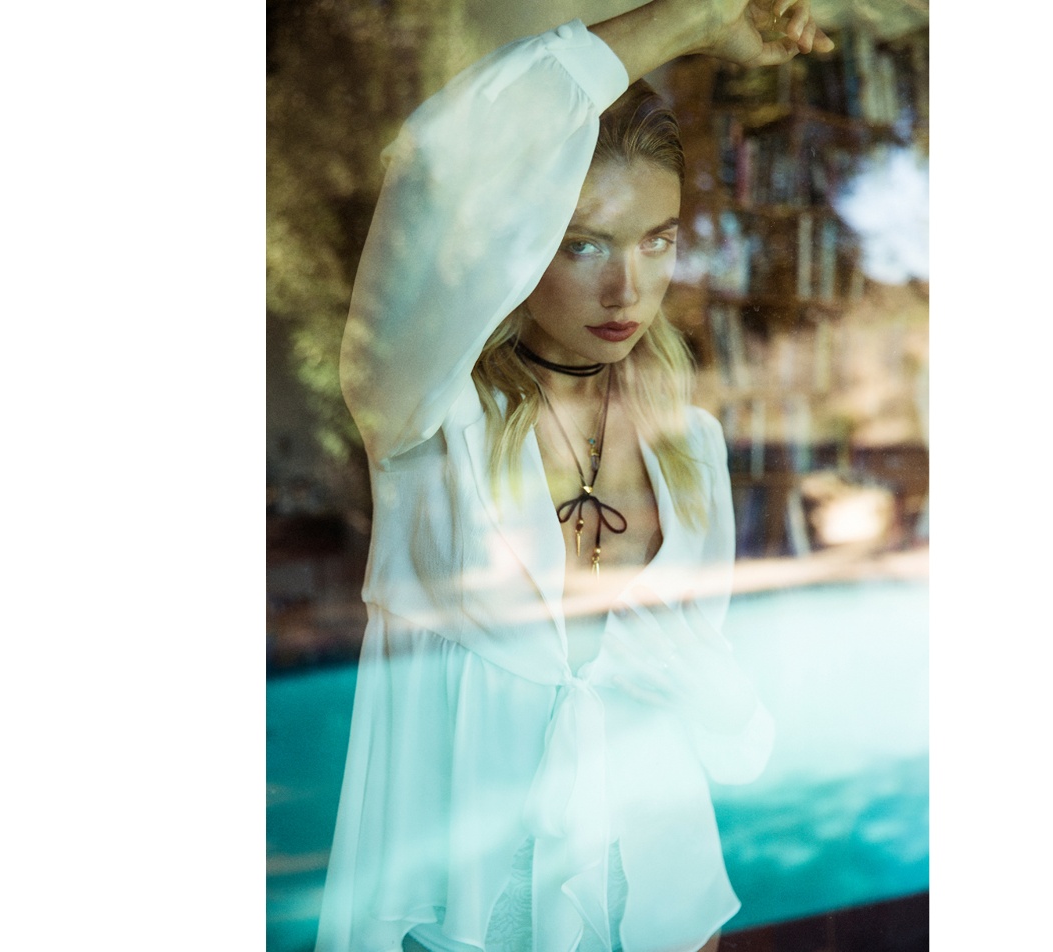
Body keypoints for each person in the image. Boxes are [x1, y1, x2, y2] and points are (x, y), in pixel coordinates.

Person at [315, 2, 833, 950]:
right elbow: (443, 161)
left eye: (656, 239)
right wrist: (686, 19)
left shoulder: (691, 449)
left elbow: (702, 723)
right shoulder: (426, 416)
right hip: (459, 926)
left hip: (666, 920)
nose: (626, 289)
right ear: (517, 244)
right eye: (581, 243)